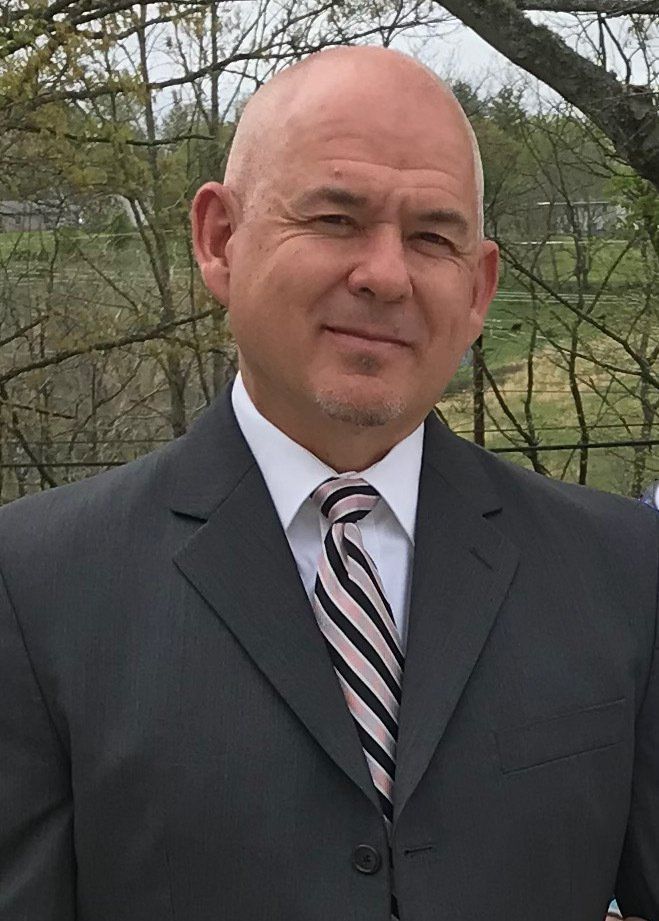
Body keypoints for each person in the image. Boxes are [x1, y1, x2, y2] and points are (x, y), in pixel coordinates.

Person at [0, 45, 657, 921]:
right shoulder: (33, 587)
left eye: (432, 237)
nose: (384, 274)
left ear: (478, 289)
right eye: (336, 218)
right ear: (219, 240)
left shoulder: (624, 569)